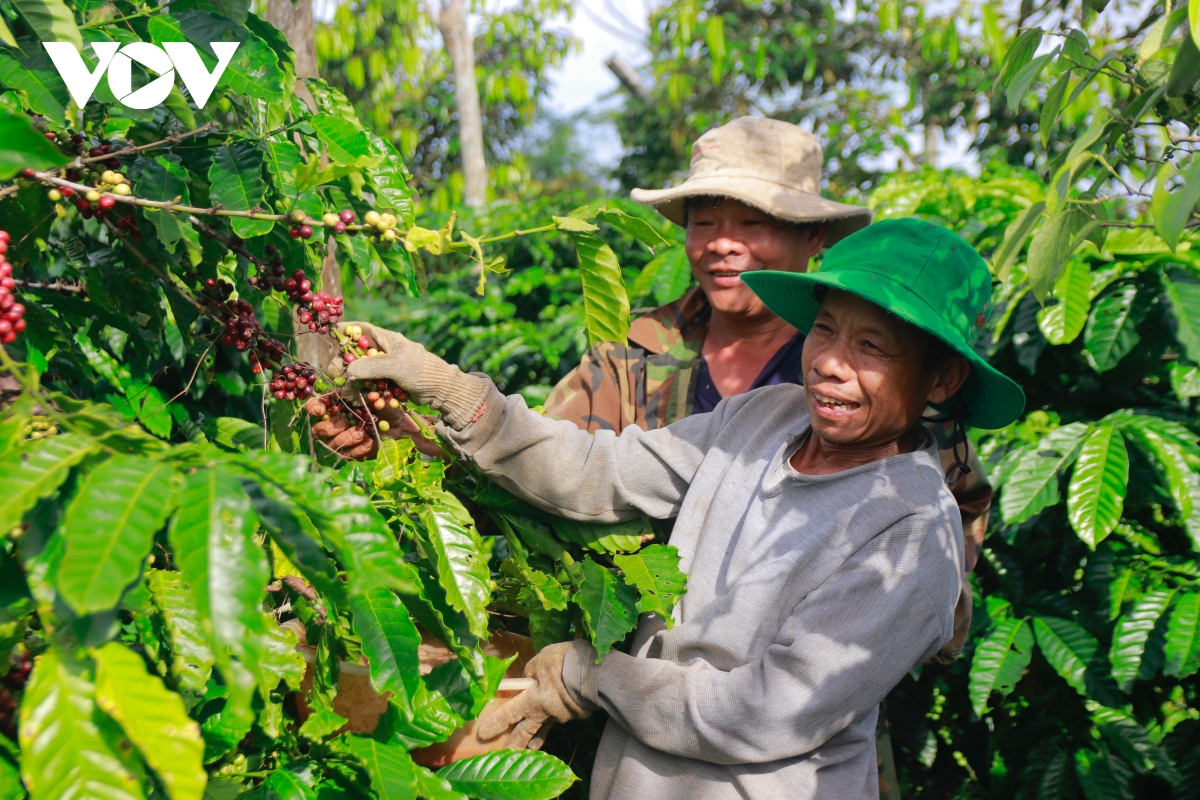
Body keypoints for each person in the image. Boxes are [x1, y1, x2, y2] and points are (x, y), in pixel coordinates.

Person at [309, 116, 992, 795]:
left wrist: (596, 673)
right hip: (628, 756)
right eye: (828, 332)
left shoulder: (908, 525)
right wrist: (448, 396)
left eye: (872, 348)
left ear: (941, 380)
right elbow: (591, 470)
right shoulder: (762, 415)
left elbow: (771, 709)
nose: (833, 366)